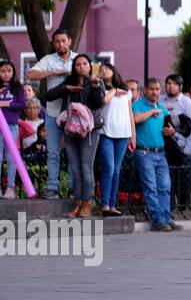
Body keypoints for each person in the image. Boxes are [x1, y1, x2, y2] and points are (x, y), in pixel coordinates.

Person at [42, 54, 106, 217]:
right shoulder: (69, 81)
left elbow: (99, 103)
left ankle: (87, 203)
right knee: (75, 168)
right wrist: (66, 88)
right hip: (70, 129)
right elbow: (47, 97)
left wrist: (96, 86)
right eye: (78, 64)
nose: (81, 67)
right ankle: (77, 204)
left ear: (90, 66)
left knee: (86, 166)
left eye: (85, 64)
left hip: (90, 130)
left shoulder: (96, 82)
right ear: (74, 67)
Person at [26, 28, 76, 198]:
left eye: (64, 40)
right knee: (53, 151)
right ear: (54, 44)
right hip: (53, 112)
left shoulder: (78, 59)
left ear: (69, 40)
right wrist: (54, 72)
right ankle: (52, 187)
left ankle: (72, 187)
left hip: (74, 113)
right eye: (57, 41)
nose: (61, 44)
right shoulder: (48, 59)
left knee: (72, 152)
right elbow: (31, 73)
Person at [133, 78, 180, 231]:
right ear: (145, 89)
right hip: (144, 153)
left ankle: (166, 218)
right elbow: (134, 119)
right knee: (151, 187)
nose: (155, 92)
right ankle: (158, 219)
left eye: (158, 89)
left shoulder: (163, 108)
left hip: (161, 154)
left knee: (165, 187)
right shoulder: (137, 105)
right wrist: (151, 112)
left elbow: (170, 128)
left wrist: (172, 131)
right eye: (152, 89)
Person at [95, 62, 132, 216]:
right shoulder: (99, 88)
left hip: (124, 134)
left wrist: (133, 135)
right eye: (101, 69)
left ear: (114, 71)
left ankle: (112, 204)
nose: (103, 70)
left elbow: (129, 113)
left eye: (107, 68)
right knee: (109, 167)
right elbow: (104, 101)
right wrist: (115, 90)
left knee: (117, 170)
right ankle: (104, 204)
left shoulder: (127, 91)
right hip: (106, 133)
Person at [0, 60, 26, 198]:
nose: (6, 74)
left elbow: (21, 105)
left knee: (11, 156)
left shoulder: (17, 87)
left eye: (9, 71)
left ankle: (10, 188)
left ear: (13, 72)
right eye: (3, 71)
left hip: (11, 125)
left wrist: (5, 104)